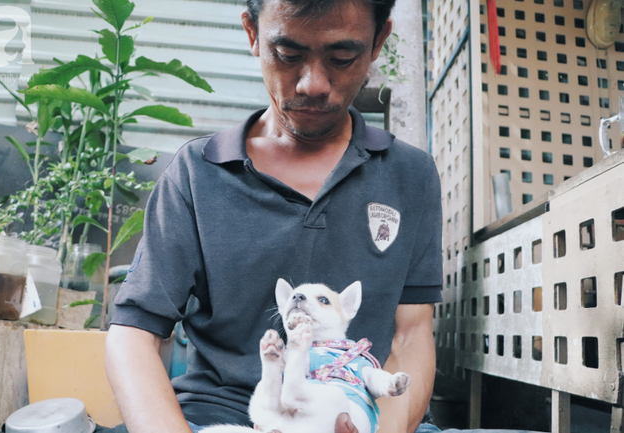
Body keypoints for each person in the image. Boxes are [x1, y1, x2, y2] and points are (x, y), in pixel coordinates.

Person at [105, 1, 442, 432]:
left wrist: (380, 428)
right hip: (222, 419)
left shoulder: (409, 175)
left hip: (364, 412)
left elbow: (411, 336)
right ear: (252, 33)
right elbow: (133, 334)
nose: (313, 84)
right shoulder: (197, 173)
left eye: (342, 57)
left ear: (378, 41)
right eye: (288, 54)